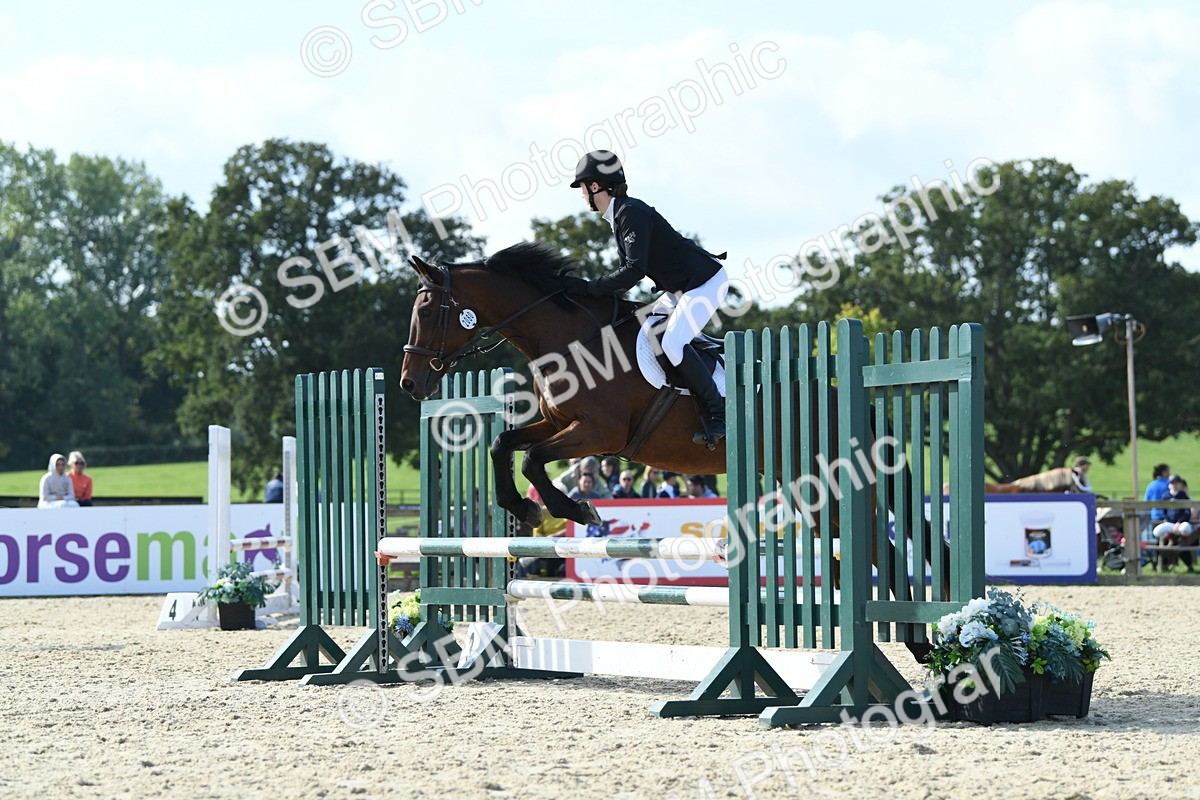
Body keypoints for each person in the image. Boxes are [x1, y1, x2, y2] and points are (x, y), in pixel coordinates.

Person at [564, 150, 731, 448]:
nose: (581, 197)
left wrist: (590, 288)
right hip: (679, 289)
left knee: (672, 342)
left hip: (705, 283)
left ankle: (718, 413)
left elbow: (633, 271)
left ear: (594, 187)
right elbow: (625, 273)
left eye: (582, 189)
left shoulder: (630, 212)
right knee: (643, 328)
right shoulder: (618, 216)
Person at [1153, 475, 1196, 572]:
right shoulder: (1166, 496)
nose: (1175, 485)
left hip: (1180, 526)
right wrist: (1168, 521)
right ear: (1169, 485)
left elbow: (1187, 513)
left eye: (1177, 483)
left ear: (1181, 485)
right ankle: (1162, 565)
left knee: (1183, 535)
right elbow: (1164, 512)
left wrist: (1179, 522)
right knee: (1157, 533)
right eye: (1173, 483)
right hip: (1169, 524)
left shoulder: (1183, 496)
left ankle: (1189, 565)